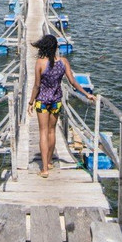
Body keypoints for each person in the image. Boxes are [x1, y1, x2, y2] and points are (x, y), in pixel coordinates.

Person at [28, 34, 94, 177]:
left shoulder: (40, 63)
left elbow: (36, 86)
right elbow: (73, 81)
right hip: (56, 102)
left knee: (43, 133)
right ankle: (50, 162)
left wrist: (30, 102)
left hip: (42, 102)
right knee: (52, 131)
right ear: (55, 47)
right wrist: (86, 93)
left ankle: (44, 169)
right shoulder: (63, 62)